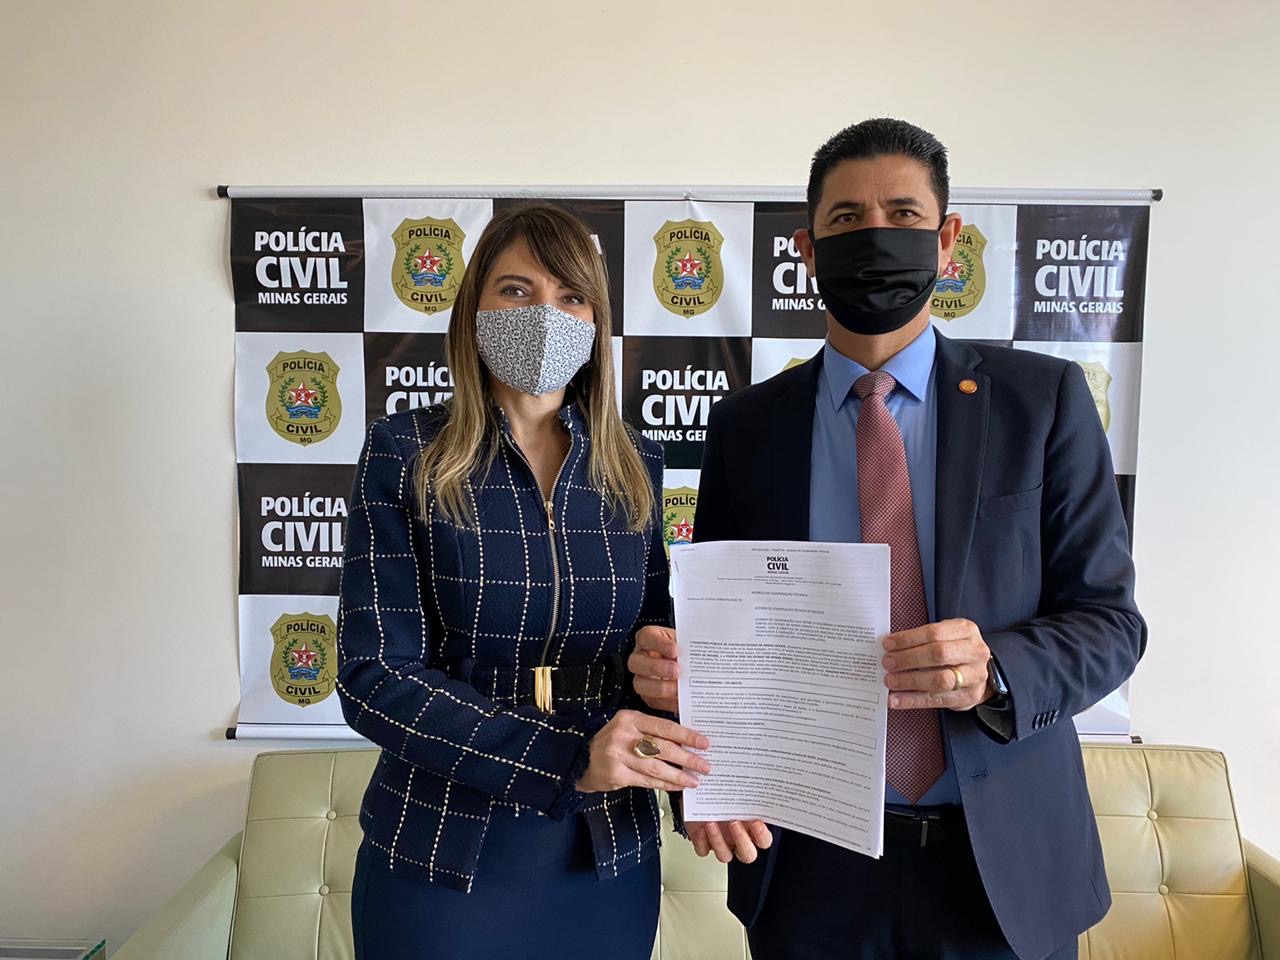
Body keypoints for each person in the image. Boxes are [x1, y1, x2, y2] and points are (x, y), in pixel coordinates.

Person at [628, 118, 1146, 960]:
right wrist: (690, 721)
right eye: (846, 219)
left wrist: (997, 670)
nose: (875, 237)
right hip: (807, 867)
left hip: (1002, 869)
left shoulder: (1042, 400)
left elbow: (1111, 624)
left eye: (903, 215)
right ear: (806, 250)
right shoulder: (748, 426)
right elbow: (716, 638)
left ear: (947, 240)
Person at [337, 204, 709, 960]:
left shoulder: (635, 462)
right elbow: (374, 674)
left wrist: (696, 749)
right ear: (474, 307)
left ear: (596, 321)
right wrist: (566, 757)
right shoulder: (406, 450)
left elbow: (657, 650)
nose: (545, 313)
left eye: (571, 296)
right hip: (441, 845)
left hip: (606, 851)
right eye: (516, 289)